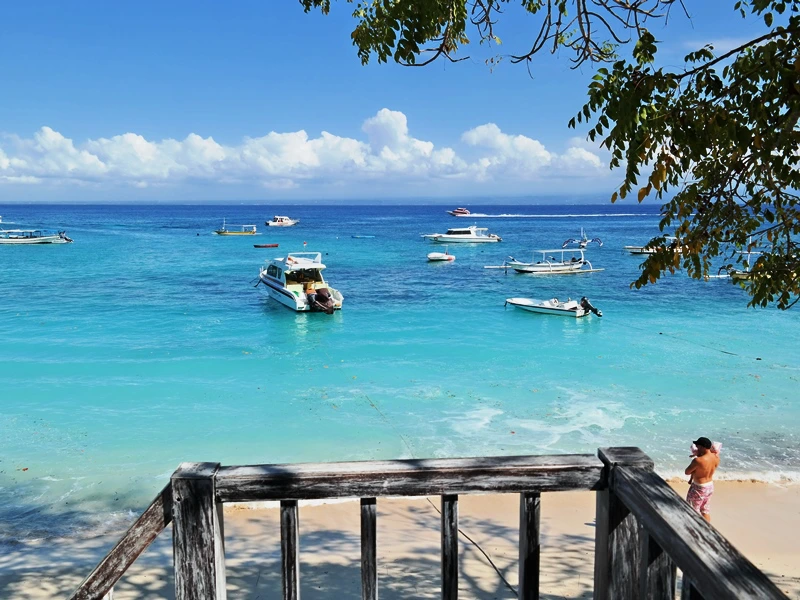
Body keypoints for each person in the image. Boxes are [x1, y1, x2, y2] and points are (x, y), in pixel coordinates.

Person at [684, 436, 720, 522]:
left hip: (698, 488)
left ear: (702, 447)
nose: (696, 448)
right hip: (709, 486)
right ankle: (708, 528)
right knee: (705, 510)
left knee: (692, 510)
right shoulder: (716, 458)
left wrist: (694, 460)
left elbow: (687, 472)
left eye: (698, 446)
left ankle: (695, 529)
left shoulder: (698, 460)